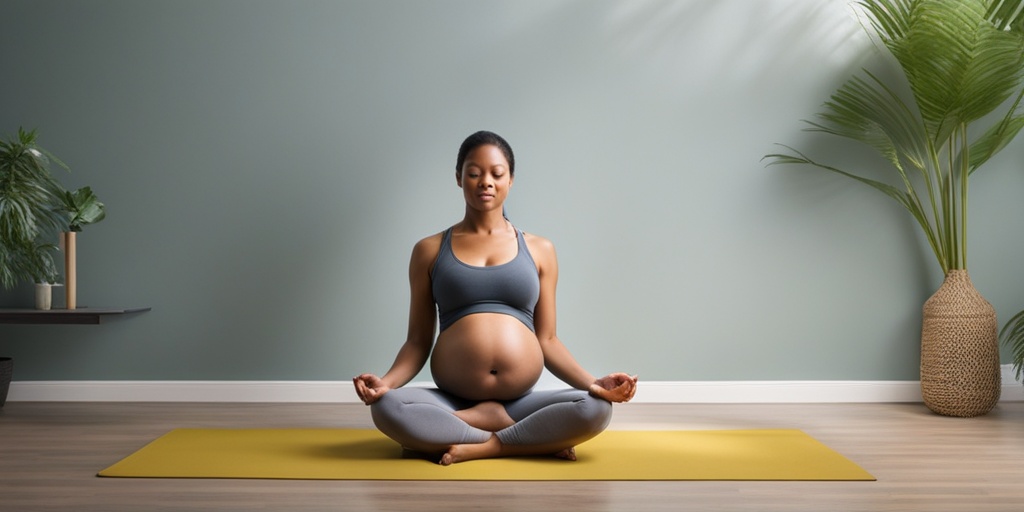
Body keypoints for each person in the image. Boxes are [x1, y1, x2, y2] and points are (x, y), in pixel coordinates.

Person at [353, 130, 638, 465]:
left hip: (519, 400)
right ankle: (527, 438)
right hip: (452, 401)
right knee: (387, 408)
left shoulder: (540, 249)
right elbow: (417, 342)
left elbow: (547, 339)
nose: (485, 182)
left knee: (596, 409)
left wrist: (594, 383)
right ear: (459, 178)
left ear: (511, 180)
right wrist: (385, 383)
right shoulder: (428, 250)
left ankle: (483, 444)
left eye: (496, 174)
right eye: (474, 173)